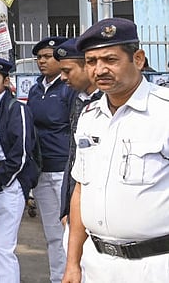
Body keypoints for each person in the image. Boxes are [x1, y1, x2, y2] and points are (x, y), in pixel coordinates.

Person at [64, 17, 169, 282]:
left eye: (110, 60)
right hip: (97, 264)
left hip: (154, 266)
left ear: (138, 59)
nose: (99, 70)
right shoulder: (89, 117)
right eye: (91, 61)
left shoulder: (164, 112)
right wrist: (72, 264)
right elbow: (80, 191)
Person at [0, 58, 38, 283]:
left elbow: (20, 153)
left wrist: (0, 181)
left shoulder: (16, 109)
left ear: (5, 80)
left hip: (8, 182)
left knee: (3, 247)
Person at [28, 36, 75, 283]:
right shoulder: (35, 89)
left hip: (64, 170)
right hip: (41, 170)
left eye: (48, 56)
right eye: (39, 57)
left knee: (71, 233)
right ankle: (57, 278)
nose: (42, 61)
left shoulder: (69, 89)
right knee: (53, 233)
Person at [53, 39, 101, 227]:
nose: (63, 78)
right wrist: (67, 208)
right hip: (78, 203)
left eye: (67, 71)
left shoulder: (109, 102)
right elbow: (74, 157)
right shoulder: (80, 101)